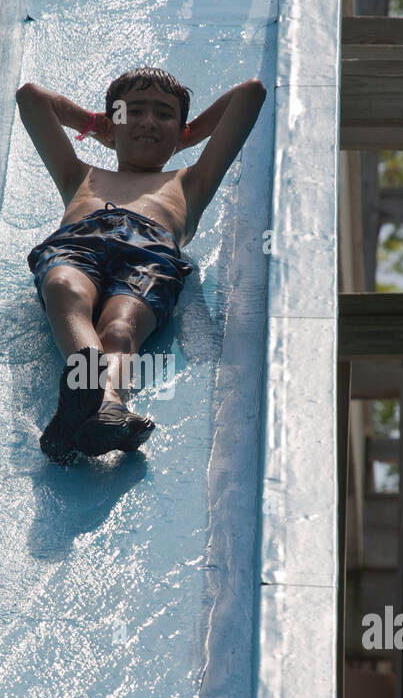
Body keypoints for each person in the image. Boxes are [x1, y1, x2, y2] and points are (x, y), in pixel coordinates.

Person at [16, 66, 267, 462]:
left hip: (150, 253)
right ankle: (103, 397)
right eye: (133, 111)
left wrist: (186, 136)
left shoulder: (190, 182)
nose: (148, 121)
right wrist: (97, 125)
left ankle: (93, 407)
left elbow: (250, 93)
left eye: (164, 114)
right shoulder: (78, 175)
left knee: (119, 329)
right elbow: (31, 97)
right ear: (113, 122)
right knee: (64, 287)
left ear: (180, 130)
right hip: (80, 242)